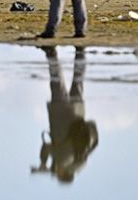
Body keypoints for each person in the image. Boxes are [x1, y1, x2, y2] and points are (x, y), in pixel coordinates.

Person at [30, 46, 98, 183]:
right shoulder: (62, 159)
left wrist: (49, 167)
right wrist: (44, 163)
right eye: (57, 175)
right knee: (56, 79)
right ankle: (51, 53)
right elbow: (46, 148)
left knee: (78, 78)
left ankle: (81, 52)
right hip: (60, 112)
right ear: (62, 174)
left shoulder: (80, 159)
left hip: (78, 112)